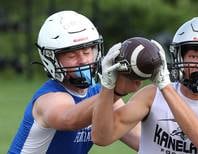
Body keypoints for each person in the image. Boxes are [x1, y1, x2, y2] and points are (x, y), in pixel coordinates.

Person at [92, 17, 198, 154]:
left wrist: (165, 86)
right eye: (194, 56)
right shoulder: (151, 96)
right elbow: (102, 137)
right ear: (180, 58)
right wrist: (108, 86)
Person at [8, 10, 140, 154]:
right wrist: (115, 90)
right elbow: (70, 119)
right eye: (71, 55)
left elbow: (142, 141)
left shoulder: (98, 93)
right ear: (52, 60)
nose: (83, 60)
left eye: (87, 52)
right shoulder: (50, 98)